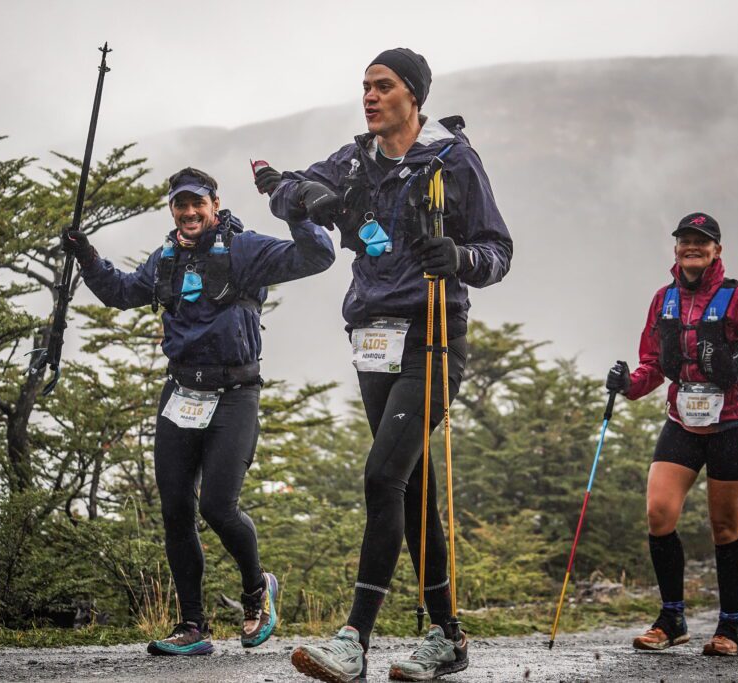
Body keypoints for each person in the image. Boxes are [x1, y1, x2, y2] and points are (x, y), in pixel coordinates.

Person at [255, 48, 512, 681]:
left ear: (413, 97)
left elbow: (498, 251)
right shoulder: (355, 160)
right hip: (371, 339)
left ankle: (354, 640)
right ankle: (447, 635)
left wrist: (460, 257)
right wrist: (305, 193)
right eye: (365, 86)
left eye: (384, 86)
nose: (369, 96)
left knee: (381, 477)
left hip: (433, 336)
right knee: (410, 486)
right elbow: (284, 191)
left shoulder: (452, 162)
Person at [63, 167, 334, 655]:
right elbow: (120, 293)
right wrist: (87, 256)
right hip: (181, 393)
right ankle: (192, 627)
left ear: (214, 205)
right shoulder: (165, 258)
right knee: (175, 511)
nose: (189, 212)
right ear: (173, 209)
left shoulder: (245, 249)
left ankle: (257, 590)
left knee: (217, 507)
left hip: (235, 393)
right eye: (180, 204)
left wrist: (296, 210)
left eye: (197, 203)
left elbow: (317, 256)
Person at [605, 212, 738, 656]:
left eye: (701, 242)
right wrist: (627, 384)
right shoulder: (663, 299)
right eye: (685, 240)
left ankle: (730, 628)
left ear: (716, 250)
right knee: (659, 514)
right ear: (676, 249)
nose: (692, 248)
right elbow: (652, 365)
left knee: (724, 527)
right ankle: (672, 619)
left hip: (733, 423)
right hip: (682, 421)